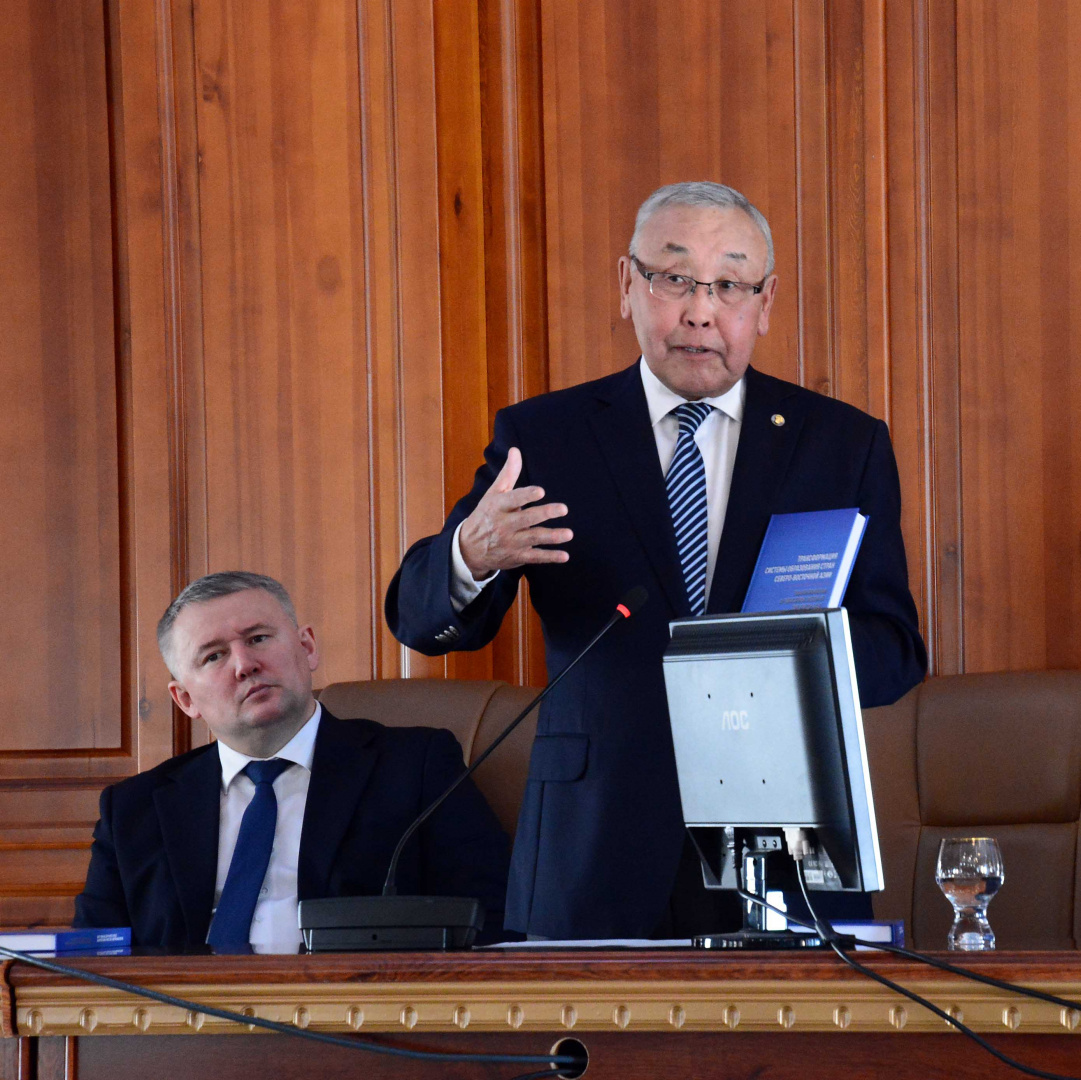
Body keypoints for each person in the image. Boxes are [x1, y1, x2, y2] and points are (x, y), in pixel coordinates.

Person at [386, 181, 926, 939]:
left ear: (766, 303)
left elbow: (895, 652)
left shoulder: (840, 444)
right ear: (627, 285)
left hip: (779, 831)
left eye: (729, 285)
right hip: (596, 837)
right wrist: (468, 556)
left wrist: (786, 660)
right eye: (674, 279)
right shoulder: (549, 437)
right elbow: (418, 619)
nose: (701, 311)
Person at [75, 572, 510, 952]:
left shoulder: (416, 767)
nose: (245, 664)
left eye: (258, 639)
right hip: (182, 1019)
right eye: (213, 656)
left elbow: (489, 921)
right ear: (185, 699)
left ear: (307, 647)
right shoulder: (133, 809)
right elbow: (89, 964)